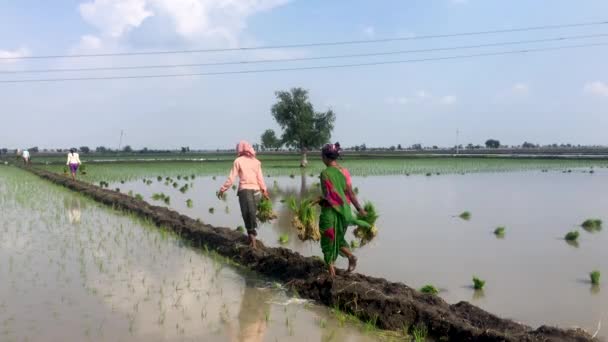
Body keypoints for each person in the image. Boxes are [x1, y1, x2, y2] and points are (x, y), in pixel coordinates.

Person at [317, 142, 368, 277]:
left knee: (328, 240)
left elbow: (329, 197)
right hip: (344, 211)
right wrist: (360, 209)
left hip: (331, 211)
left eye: (322, 156)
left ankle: (332, 276)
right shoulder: (344, 172)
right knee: (338, 238)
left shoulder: (325, 173)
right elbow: (350, 193)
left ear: (325, 157)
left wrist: (319, 201)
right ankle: (351, 257)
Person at [218, 141, 269, 248]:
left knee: (247, 216)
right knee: (252, 215)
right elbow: (260, 179)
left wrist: (223, 189)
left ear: (240, 150)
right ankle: (252, 240)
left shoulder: (238, 161)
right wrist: (264, 191)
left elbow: (232, 178)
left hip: (245, 191)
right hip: (257, 192)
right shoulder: (256, 162)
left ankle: (253, 242)